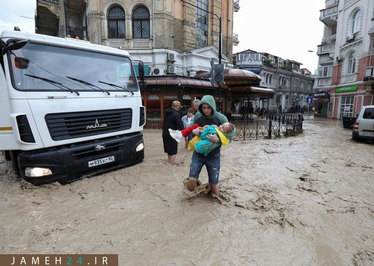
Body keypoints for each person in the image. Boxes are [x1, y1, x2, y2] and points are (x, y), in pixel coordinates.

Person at [185, 95, 235, 197]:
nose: (206, 110)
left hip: (214, 155)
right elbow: (191, 131)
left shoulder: (221, 118)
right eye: (203, 108)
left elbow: (231, 136)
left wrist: (218, 139)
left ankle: (217, 201)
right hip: (198, 153)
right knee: (192, 179)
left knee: (214, 183)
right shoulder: (198, 116)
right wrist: (193, 132)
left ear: (213, 107)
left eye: (208, 108)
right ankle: (190, 200)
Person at [169, 122, 235, 156]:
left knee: (194, 126)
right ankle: (180, 134)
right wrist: (194, 131)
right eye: (222, 125)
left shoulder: (218, 132)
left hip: (204, 147)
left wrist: (217, 140)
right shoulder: (198, 115)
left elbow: (228, 140)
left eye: (223, 128)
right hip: (202, 148)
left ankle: (180, 134)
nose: (221, 127)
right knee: (194, 126)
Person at [162, 101, 184, 165]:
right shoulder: (176, 114)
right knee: (173, 151)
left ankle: (169, 162)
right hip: (172, 134)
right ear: (177, 106)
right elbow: (180, 125)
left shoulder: (166, 112)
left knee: (169, 151)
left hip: (165, 133)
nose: (180, 108)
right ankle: (171, 165)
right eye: (179, 107)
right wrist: (184, 131)